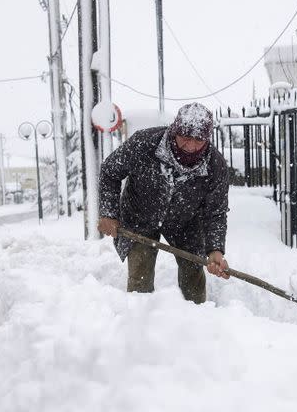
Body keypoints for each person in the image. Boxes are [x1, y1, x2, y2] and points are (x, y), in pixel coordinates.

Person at [97, 103, 230, 304]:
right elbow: (109, 171)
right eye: (185, 137)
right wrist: (108, 213)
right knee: (140, 276)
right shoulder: (144, 144)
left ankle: (198, 323)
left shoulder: (214, 165)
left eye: (198, 140)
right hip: (139, 216)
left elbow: (216, 212)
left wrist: (215, 250)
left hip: (187, 222)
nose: (191, 146)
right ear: (174, 130)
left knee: (193, 278)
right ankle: (138, 320)